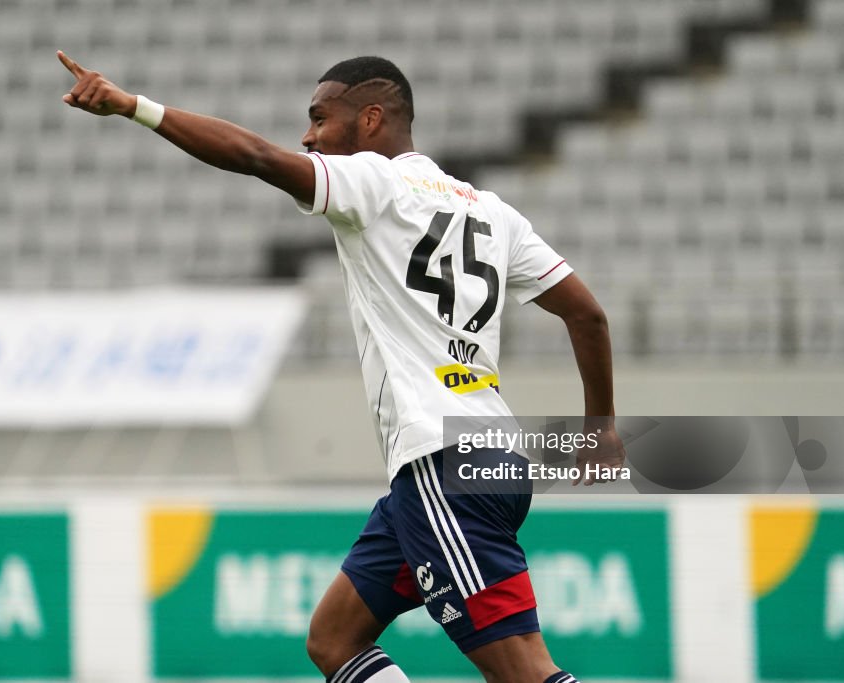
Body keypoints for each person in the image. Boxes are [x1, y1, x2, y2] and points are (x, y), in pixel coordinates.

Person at [58, 51, 625, 683]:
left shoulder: (372, 184)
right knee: (334, 640)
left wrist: (135, 107)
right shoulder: (493, 213)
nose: (308, 137)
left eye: (320, 118)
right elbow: (589, 317)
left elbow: (255, 157)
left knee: (522, 671)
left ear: (371, 121)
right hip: (483, 454)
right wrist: (598, 431)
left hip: (442, 462)